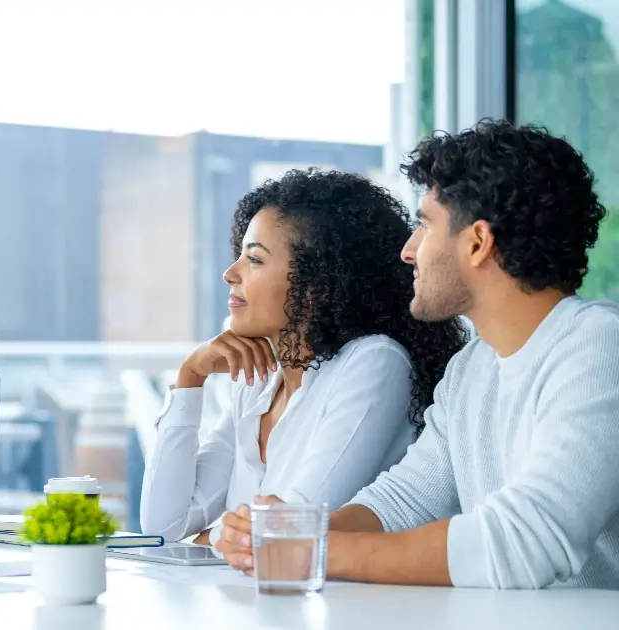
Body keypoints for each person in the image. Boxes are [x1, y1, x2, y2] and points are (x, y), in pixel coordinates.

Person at [215, 119, 619, 589]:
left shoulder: (597, 346)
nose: (408, 252)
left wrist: (312, 550)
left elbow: (524, 541)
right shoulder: (473, 368)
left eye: (424, 225)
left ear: (477, 242)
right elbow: (401, 503)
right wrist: (281, 534)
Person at [140, 169, 468, 545]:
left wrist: (209, 539)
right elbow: (162, 526)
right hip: (260, 601)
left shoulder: (374, 363)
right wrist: (190, 377)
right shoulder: (260, 381)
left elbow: (290, 530)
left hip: (344, 603)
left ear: (318, 284)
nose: (231, 274)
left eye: (255, 260)